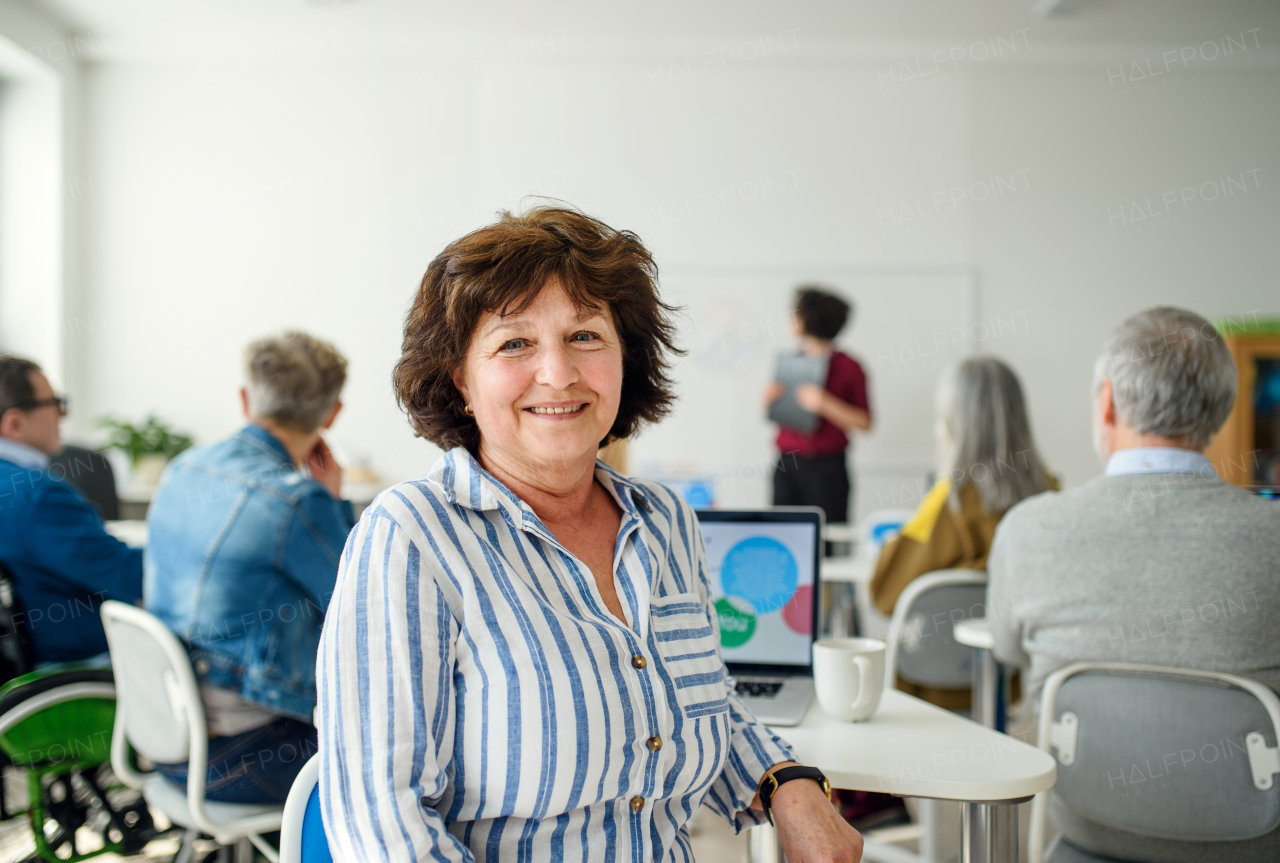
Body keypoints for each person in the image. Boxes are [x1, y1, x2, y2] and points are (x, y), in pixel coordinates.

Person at [318, 207, 863, 863]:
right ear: (461, 379)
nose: (559, 372)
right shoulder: (410, 539)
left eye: (584, 336)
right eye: (514, 343)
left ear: (625, 357)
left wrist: (788, 782)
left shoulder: (665, 522)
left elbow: (706, 706)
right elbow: (383, 832)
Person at [988, 307, 1280, 861]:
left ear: (1107, 403)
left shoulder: (1029, 529)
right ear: (1221, 409)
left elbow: (1005, 652)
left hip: (1087, 834)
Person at [145, 332, 355, 804]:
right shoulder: (297, 501)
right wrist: (334, 501)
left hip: (164, 737)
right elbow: (364, 611)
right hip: (241, 755)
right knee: (422, 756)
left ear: (245, 399)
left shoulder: (183, 468)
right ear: (332, 414)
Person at [870, 357, 1054, 708]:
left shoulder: (947, 505)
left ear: (953, 422)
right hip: (1008, 679)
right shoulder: (1050, 501)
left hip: (932, 688)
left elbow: (882, 592)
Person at [0, 355, 142, 667]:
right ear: (15, 423)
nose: (62, 415)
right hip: (74, 666)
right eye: (54, 403)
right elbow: (127, 575)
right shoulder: (36, 494)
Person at [765, 287, 871, 539]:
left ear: (808, 320)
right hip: (786, 464)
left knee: (828, 541)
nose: (793, 320)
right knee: (782, 536)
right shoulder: (789, 362)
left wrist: (825, 404)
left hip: (827, 469)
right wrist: (769, 400)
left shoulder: (849, 367)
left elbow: (865, 422)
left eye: (797, 314)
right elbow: (776, 416)